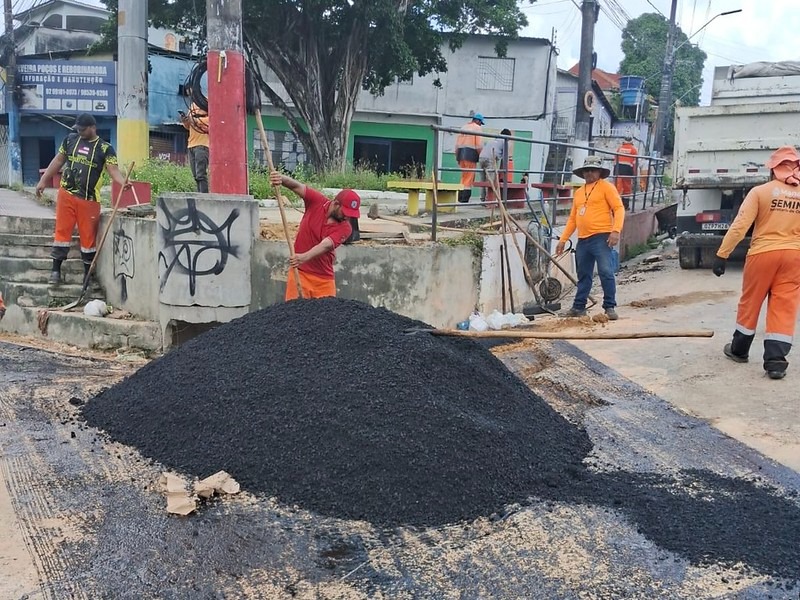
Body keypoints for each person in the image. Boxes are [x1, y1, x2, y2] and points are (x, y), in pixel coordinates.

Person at [713, 145, 800, 380]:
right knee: (784, 307)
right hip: (794, 256)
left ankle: (739, 350)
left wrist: (723, 254)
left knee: (750, 302)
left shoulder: (760, 192)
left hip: (763, 254)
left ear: (773, 169)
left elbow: (741, 225)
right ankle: (776, 362)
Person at [35, 113, 130, 286]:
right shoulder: (70, 140)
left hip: (89, 200)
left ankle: (88, 276)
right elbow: (58, 161)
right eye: (77, 129)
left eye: (83, 129)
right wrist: (43, 180)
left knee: (88, 239)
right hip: (66, 195)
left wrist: (123, 182)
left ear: (93, 127)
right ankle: (55, 270)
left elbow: (113, 170)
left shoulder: (105, 148)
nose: (79, 132)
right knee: (62, 232)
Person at [268, 170, 361, 300]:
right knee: (293, 317)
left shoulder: (346, 228)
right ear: (335, 203)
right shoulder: (317, 201)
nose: (347, 216)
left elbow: (325, 245)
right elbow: (297, 186)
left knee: (326, 319)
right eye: (345, 212)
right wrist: (281, 179)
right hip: (299, 274)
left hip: (324, 280)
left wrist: (304, 257)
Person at [555, 155, 625, 320]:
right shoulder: (579, 192)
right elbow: (573, 218)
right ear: (583, 173)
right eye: (587, 170)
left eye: (593, 170)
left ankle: (609, 306)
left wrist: (616, 231)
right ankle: (579, 307)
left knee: (606, 271)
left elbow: (619, 209)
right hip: (583, 239)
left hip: (602, 236)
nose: (589, 173)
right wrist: (563, 239)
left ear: (599, 171)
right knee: (583, 274)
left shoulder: (607, 188)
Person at [180, 89, 209, 193]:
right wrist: (185, 121)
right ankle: (200, 195)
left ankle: (204, 197)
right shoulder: (192, 106)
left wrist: (195, 120)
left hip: (203, 144)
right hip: (191, 144)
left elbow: (212, 121)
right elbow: (189, 127)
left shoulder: (207, 102)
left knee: (201, 174)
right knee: (195, 175)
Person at [454, 113, 484, 203]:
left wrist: (457, 156)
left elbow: (457, 144)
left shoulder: (463, 127)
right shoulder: (477, 128)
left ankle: (459, 196)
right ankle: (464, 198)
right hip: (470, 154)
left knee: (463, 176)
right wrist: (480, 155)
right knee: (469, 176)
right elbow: (479, 145)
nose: (480, 124)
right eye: (480, 122)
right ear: (477, 121)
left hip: (460, 154)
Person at [478, 128, 511, 202]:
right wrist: (505, 170)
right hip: (490, 159)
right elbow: (505, 157)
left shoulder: (492, 140)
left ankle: (482, 199)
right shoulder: (505, 141)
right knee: (490, 181)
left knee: (482, 180)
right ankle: (488, 200)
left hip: (481, 158)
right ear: (508, 137)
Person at [614, 135, 638, 207]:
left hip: (618, 169)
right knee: (627, 188)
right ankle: (625, 205)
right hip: (628, 170)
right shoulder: (633, 150)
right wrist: (635, 174)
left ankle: (615, 205)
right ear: (631, 140)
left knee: (617, 187)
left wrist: (614, 172)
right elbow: (635, 163)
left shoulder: (619, 149)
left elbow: (615, 160)